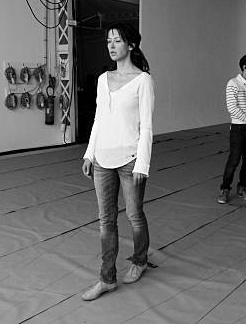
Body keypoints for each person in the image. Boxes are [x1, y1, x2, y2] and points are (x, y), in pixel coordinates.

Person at [80, 23, 155, 301]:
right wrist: (89, 153)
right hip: (102, 159)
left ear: (131, 45)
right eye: (108, 41)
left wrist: (142, 164)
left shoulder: (143, 80)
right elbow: (99, 119)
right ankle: (107, 278)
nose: (111, 45)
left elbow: (146, 127)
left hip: (130, 159)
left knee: (134, 215)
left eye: (118, 41)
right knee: (105, 220)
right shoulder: (102, 79)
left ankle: (139, 260)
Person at [217, 54, 246, 204]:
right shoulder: (233, 84)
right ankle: (225, 189)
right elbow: (232, 107)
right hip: (238, 129)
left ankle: (242, 187)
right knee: (234, 160)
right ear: (245, 67)